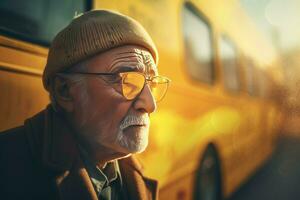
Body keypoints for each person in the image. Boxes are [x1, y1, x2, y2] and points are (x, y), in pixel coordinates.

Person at [0, 10, 170, 200]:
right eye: (127, 81)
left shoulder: (131, 171)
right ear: (65, 91)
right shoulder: (7, 168)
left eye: (152, 84)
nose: (150, 104)